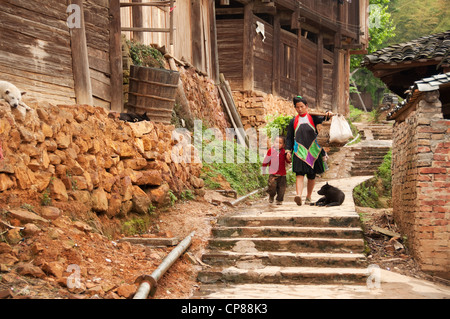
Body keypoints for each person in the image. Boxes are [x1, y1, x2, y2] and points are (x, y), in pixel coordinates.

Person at [285, 96, 332, 206]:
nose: (300, 109)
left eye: (302, 106)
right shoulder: (293, 121)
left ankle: (308, 196)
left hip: (313, 151)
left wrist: (328, 113)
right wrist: (288, 150)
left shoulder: (313, 118)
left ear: (306, 106)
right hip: (299, 150)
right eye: (297, 107)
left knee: (311, 176)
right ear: (295, 108)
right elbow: (289, 137)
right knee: (299, 174)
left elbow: (324, 119)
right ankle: (299, 195)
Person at [262, 135, 290, 205]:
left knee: (282, 189)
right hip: (273, 174)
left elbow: (288, 161)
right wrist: (264, 169)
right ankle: (271, 196)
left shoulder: (284, 152)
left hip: (282, 174)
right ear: (273, 143)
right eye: (276, 142)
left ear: (283, 145)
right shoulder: (270, 151)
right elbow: (266, 160)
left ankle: (279, 200)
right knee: (272, 187)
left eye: (280, 143)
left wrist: (288, 157)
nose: (278, 144)